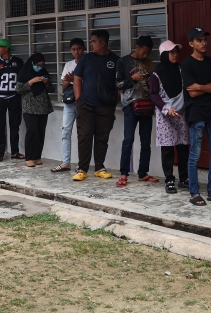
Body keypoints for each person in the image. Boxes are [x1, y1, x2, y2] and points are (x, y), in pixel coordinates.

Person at [181, 27, 211, 206]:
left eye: (204, 39)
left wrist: (199, 86)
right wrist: (206, 86)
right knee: (195, 154)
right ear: (191, 43)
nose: (204, 43)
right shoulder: (186, 64)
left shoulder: (210, 62)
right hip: (196, 113)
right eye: (199, 40)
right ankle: (194, 193)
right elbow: (191, 94)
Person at [72, 29, 120, 181]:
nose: (90, 44)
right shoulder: (86, 59)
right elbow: (77, 78)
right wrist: (79, 100)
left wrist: (114, 101)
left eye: (93, 41)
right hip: (86, 105)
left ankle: (99, 167)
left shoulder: (115, 60)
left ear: (103, 43)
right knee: (84, 136)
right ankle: (82, 169)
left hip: (105, 106)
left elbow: (119, 84)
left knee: (102, 137)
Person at [117, 35, 160, 187]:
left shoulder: (149, 63)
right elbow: (117, 84)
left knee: (146, 141)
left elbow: (155, 86)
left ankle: (143, 173)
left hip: (147, 105)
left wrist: (149, 81)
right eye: (143, 52)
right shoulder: (123, 61)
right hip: (130, 105)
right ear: (137, 47)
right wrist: (132, 79)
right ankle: (123, 173)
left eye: (148, 52)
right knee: (128, 140)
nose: (145, 55)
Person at [150, 41, 190, 194]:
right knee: (167, 149)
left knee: (182, 147)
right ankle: (169, 179)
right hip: (165, 114)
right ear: (164, 55)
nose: (175, 55)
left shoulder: (180, 70)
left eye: (176, 52)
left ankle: (184, 178)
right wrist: (166, 109)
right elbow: (153, 94)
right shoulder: (156, 73)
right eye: (171, 52)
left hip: (181, 113)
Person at [0, 38, 25, 161]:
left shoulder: (18, 62)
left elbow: (23, 79)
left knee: (15, 125)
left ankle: (15, 151)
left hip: (14, 97)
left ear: (6, 48)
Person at [52, 38, 84, 173]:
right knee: (66, 131)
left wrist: (75, 79)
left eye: (79, 49)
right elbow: (64, 85)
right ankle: (66, 162)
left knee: (83, 134)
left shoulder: (87, 62)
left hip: (83, 102)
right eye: (73, 49)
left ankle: (82, 164)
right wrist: (70, 80)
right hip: (70, 103)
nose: (76, 52)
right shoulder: (68, 65)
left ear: (83, 49)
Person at [18, 52, 55, 167]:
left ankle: (37, 156)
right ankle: (29, 157)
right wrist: (31, 81)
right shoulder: (24, 73)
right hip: (29, 107)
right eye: (37, 65)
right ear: (32, 63)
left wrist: (46, 83)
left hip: (43, 107)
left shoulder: (44, 73)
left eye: (42, 65)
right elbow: (19, 89)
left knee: (40, 132)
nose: (39, 67)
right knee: (31, 131)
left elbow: (52, 89)